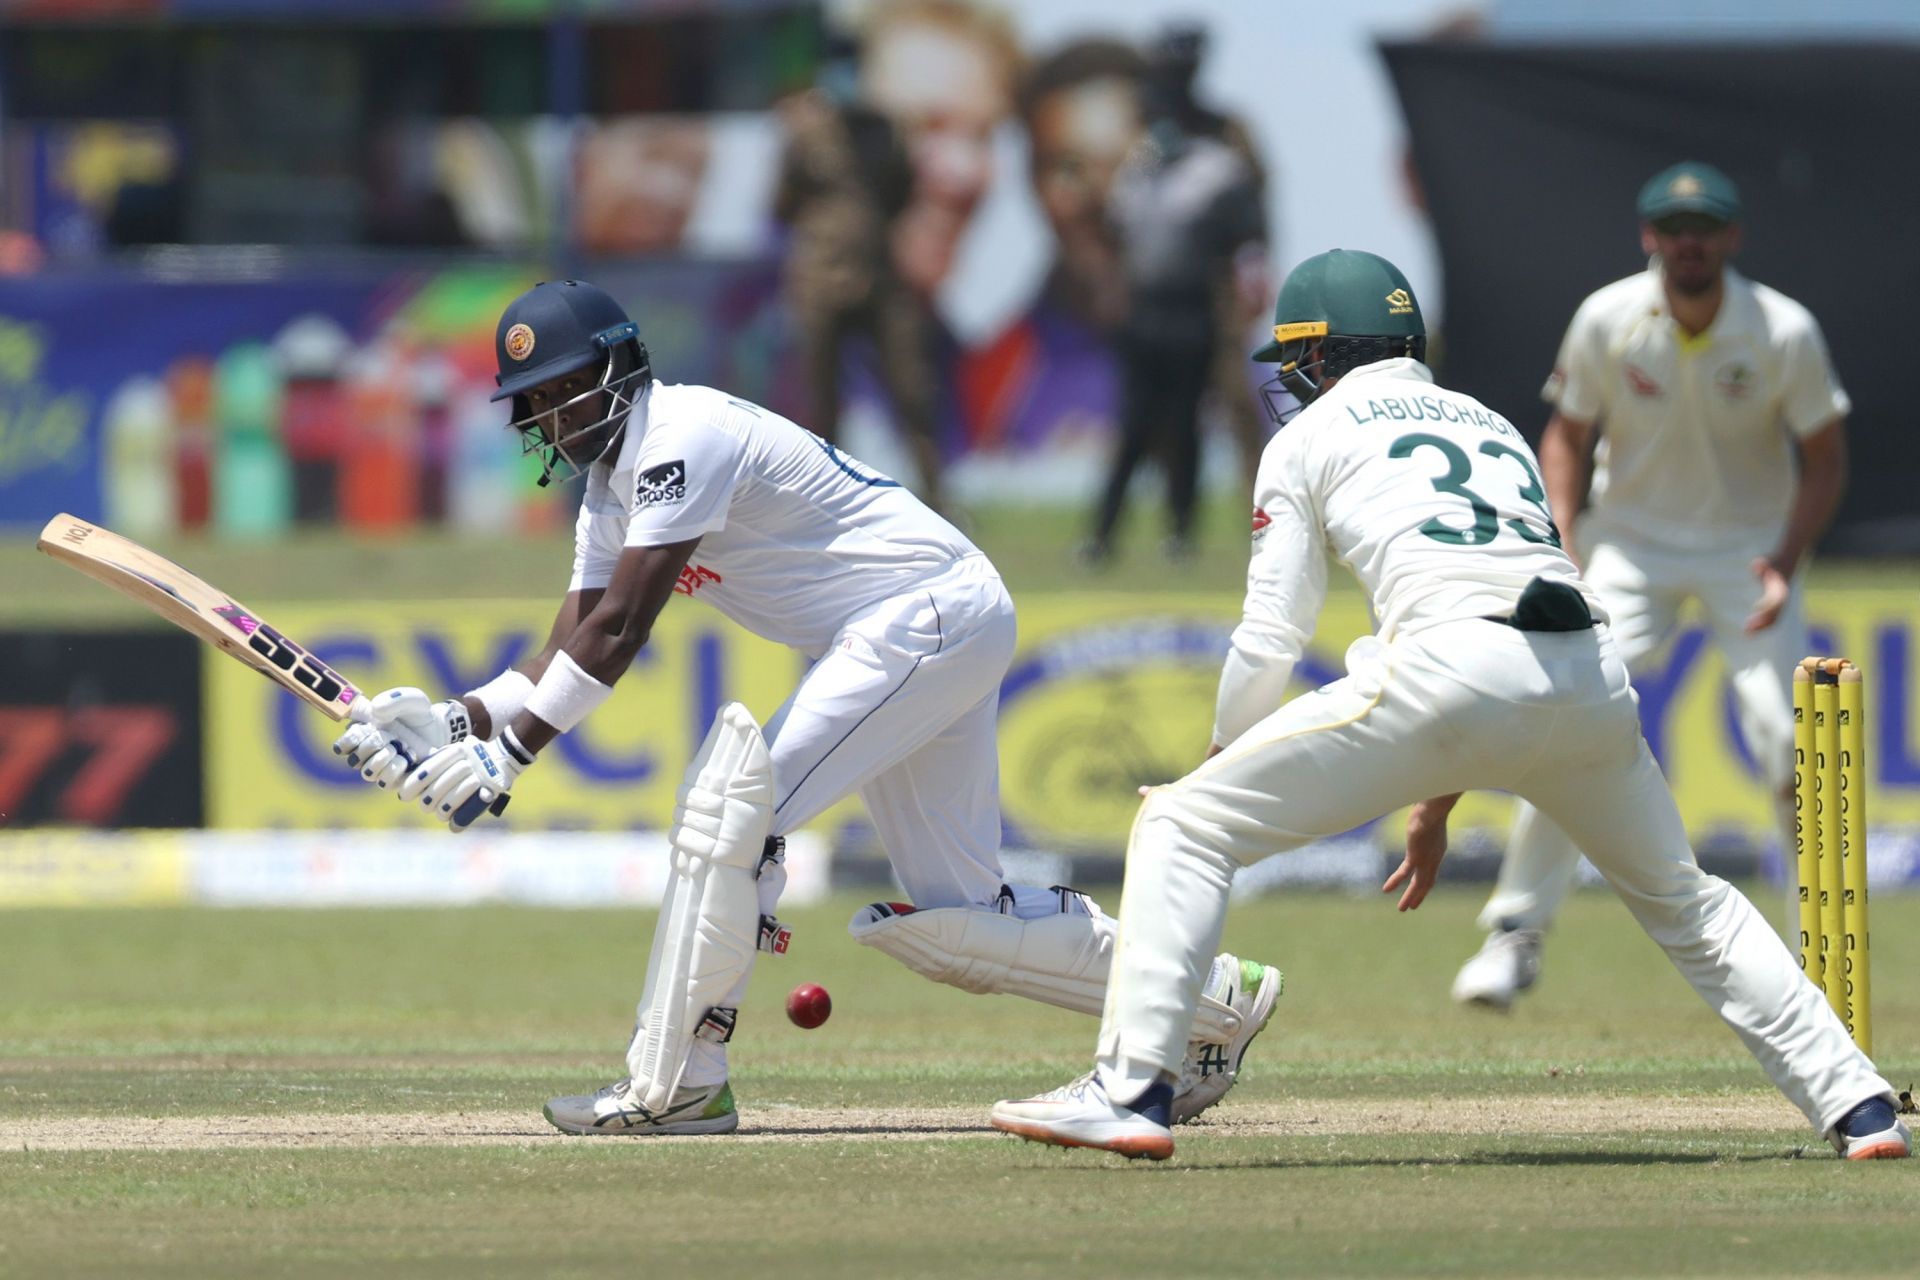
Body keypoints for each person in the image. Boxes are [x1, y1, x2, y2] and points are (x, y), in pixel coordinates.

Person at [988, 249, 1907, 1163]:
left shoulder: (1308, 437)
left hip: (1453, 669)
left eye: (1300, 361)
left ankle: (1130, 1090)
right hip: (1586, 670)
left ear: (1324, 355)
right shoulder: (1489, 420)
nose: (1296, 383)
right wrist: (1435, 800)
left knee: (1183, 827)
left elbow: (1271, 638)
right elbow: (1512, 629)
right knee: (1691, 905)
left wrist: (1221, 763)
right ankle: (1860, 1104)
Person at [328, 278, 1282, 1135]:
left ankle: (682, 1084)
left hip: (922, 614)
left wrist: (513, 758)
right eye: (533, 402)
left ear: (620, 367)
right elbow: (563, 645)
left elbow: (621, 631)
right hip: (919, 624)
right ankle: (1215, 1000)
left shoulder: (681, 438)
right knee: (958, 924)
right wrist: (455, 723)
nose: (550, 414)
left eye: (564, 388)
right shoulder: (610, 490)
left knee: (733, 811)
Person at [1452, 162, 1851, 1009]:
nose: (1690, 243)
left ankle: (1815, 962)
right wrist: (1561, 534)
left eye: (1705, 227)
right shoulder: (1608, 318)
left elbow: (1825, 460)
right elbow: (1566, 434)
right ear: (1650, 239)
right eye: (1675, 230)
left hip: (1748, 554)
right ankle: (1516, 932)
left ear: (1731, 238)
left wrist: (1784, 559)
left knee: (1791, 738)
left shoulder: (1782, 330)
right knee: (1570, 716)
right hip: (1627, 548)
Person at [1087, 26, 1264, 565]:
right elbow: (1114, 228)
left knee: (1191, 423)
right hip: (1144, 309)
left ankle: (1183, 532)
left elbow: (1249, 230)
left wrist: (1250, 280)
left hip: (1196, 306)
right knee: (1136, 426)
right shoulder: (1135, 164)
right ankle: (1102, 535)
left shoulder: (1218, 160)